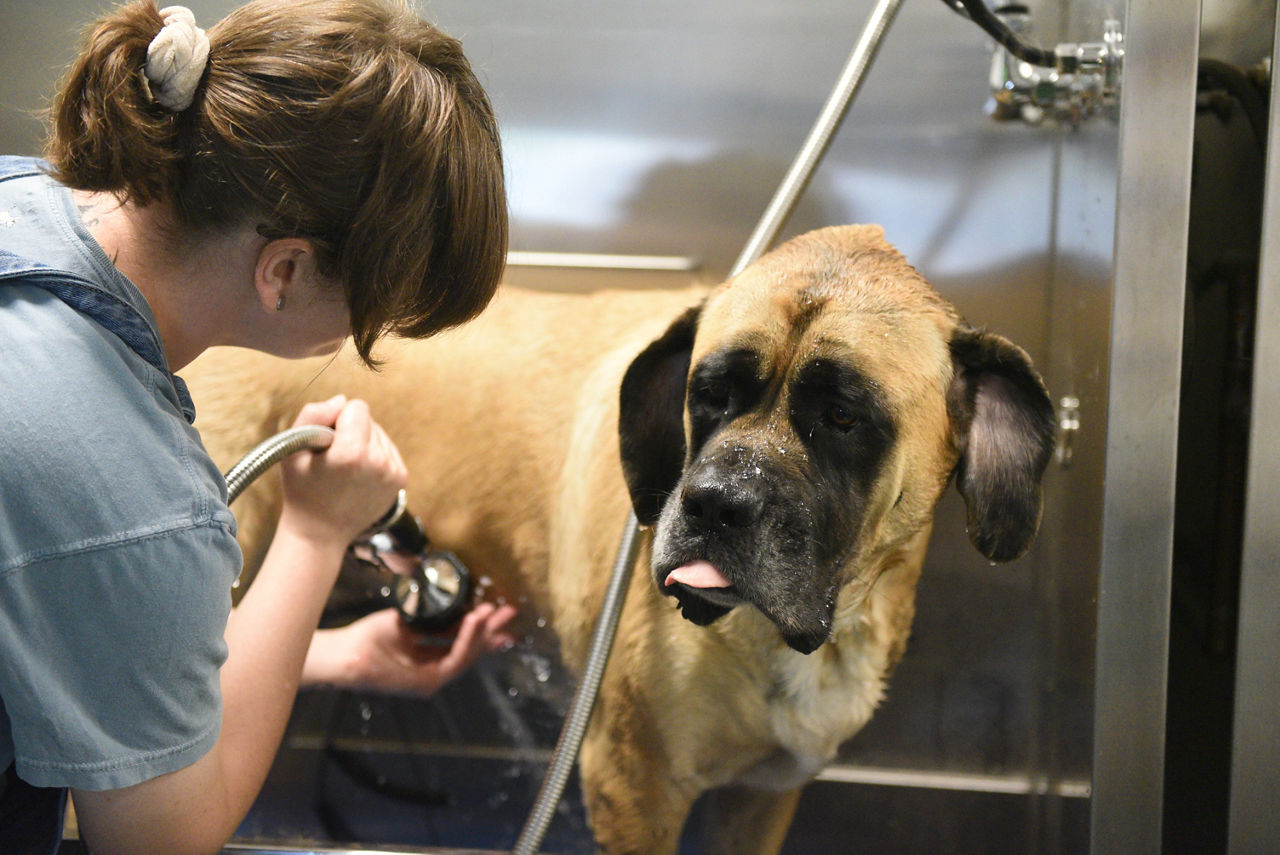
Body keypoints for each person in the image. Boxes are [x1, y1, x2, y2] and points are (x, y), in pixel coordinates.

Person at [0, 1, 516, 852]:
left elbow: (73, 628)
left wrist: (327, 658)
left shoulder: (23, 194)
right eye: (373, 313)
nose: (358, 340)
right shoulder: (132, 489)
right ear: (284, 270)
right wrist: (315, 534)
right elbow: (159, 838)